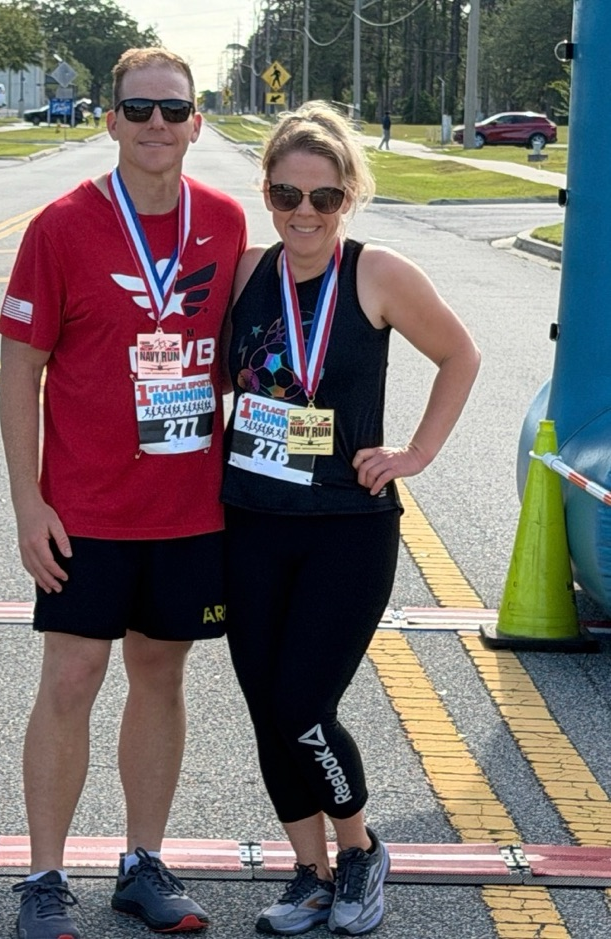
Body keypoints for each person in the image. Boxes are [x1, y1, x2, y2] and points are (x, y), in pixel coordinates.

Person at [0, 46, 246, 939]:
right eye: (138, 109)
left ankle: (144, 863)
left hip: (188, 507)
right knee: (71, 676)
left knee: (160, 674)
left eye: (173, 110)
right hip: (86, 507)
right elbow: (20, 370)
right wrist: (29, 504)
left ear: (196, 123)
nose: (156, 125)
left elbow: (251, 349)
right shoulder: (61, 227)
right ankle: (44, 877)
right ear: (110, 121)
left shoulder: (225, 220)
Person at [221, 102, 480, 936]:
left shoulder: (377, 273)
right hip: (250, 520)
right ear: (267, 191)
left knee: (303, 705)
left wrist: (416, 451)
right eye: (286, 194)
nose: (303, 212)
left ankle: (361, 849)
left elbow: (460, 354)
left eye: (323, 197)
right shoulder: (246, 272)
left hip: (346, 527)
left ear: (349, 197)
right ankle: (309, 871)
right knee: (268, 707)